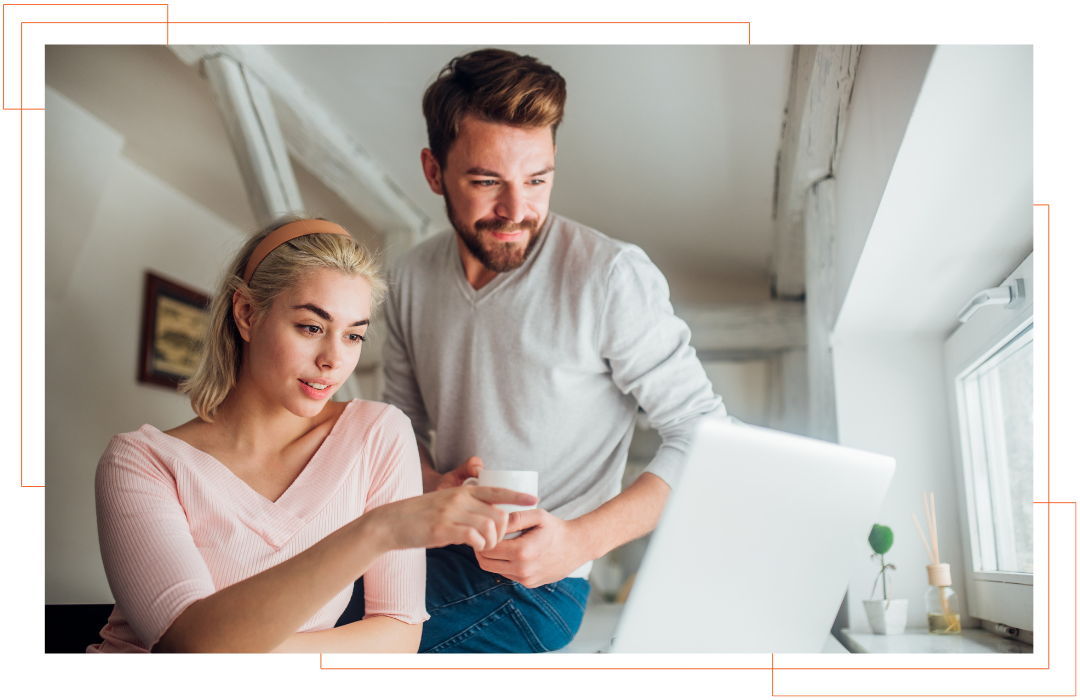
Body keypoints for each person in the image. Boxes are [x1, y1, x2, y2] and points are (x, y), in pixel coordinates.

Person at [371, 49, 728, 653]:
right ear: (435, 172)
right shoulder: (409, 278)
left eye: (537, 180)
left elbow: (706, 438)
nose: (517, 211)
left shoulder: (611, 276)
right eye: (487, 182)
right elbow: (400, 430)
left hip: (539, 584)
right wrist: (432, 479)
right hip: (431, 546)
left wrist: (579, 541)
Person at [88, 216, 536, 654]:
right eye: (312, 327)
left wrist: (249, 646)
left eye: (354, 336)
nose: (333, 360)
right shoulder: (142, 461)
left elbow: (398, 632)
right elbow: (189, 646)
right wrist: (377, 530)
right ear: (246, 313)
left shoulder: (377, 434)